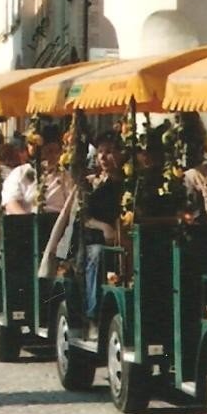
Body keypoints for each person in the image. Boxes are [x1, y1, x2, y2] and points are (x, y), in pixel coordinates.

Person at [82, 134, 125, 320]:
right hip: (96, 239)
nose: (103, 157)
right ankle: (93, 312)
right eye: (100, 152)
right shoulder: (92, 183)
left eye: (109, 152)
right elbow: (84, 217)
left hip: (124, 237)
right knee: (98, 253)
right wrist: (104, 227)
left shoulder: (127, 181)